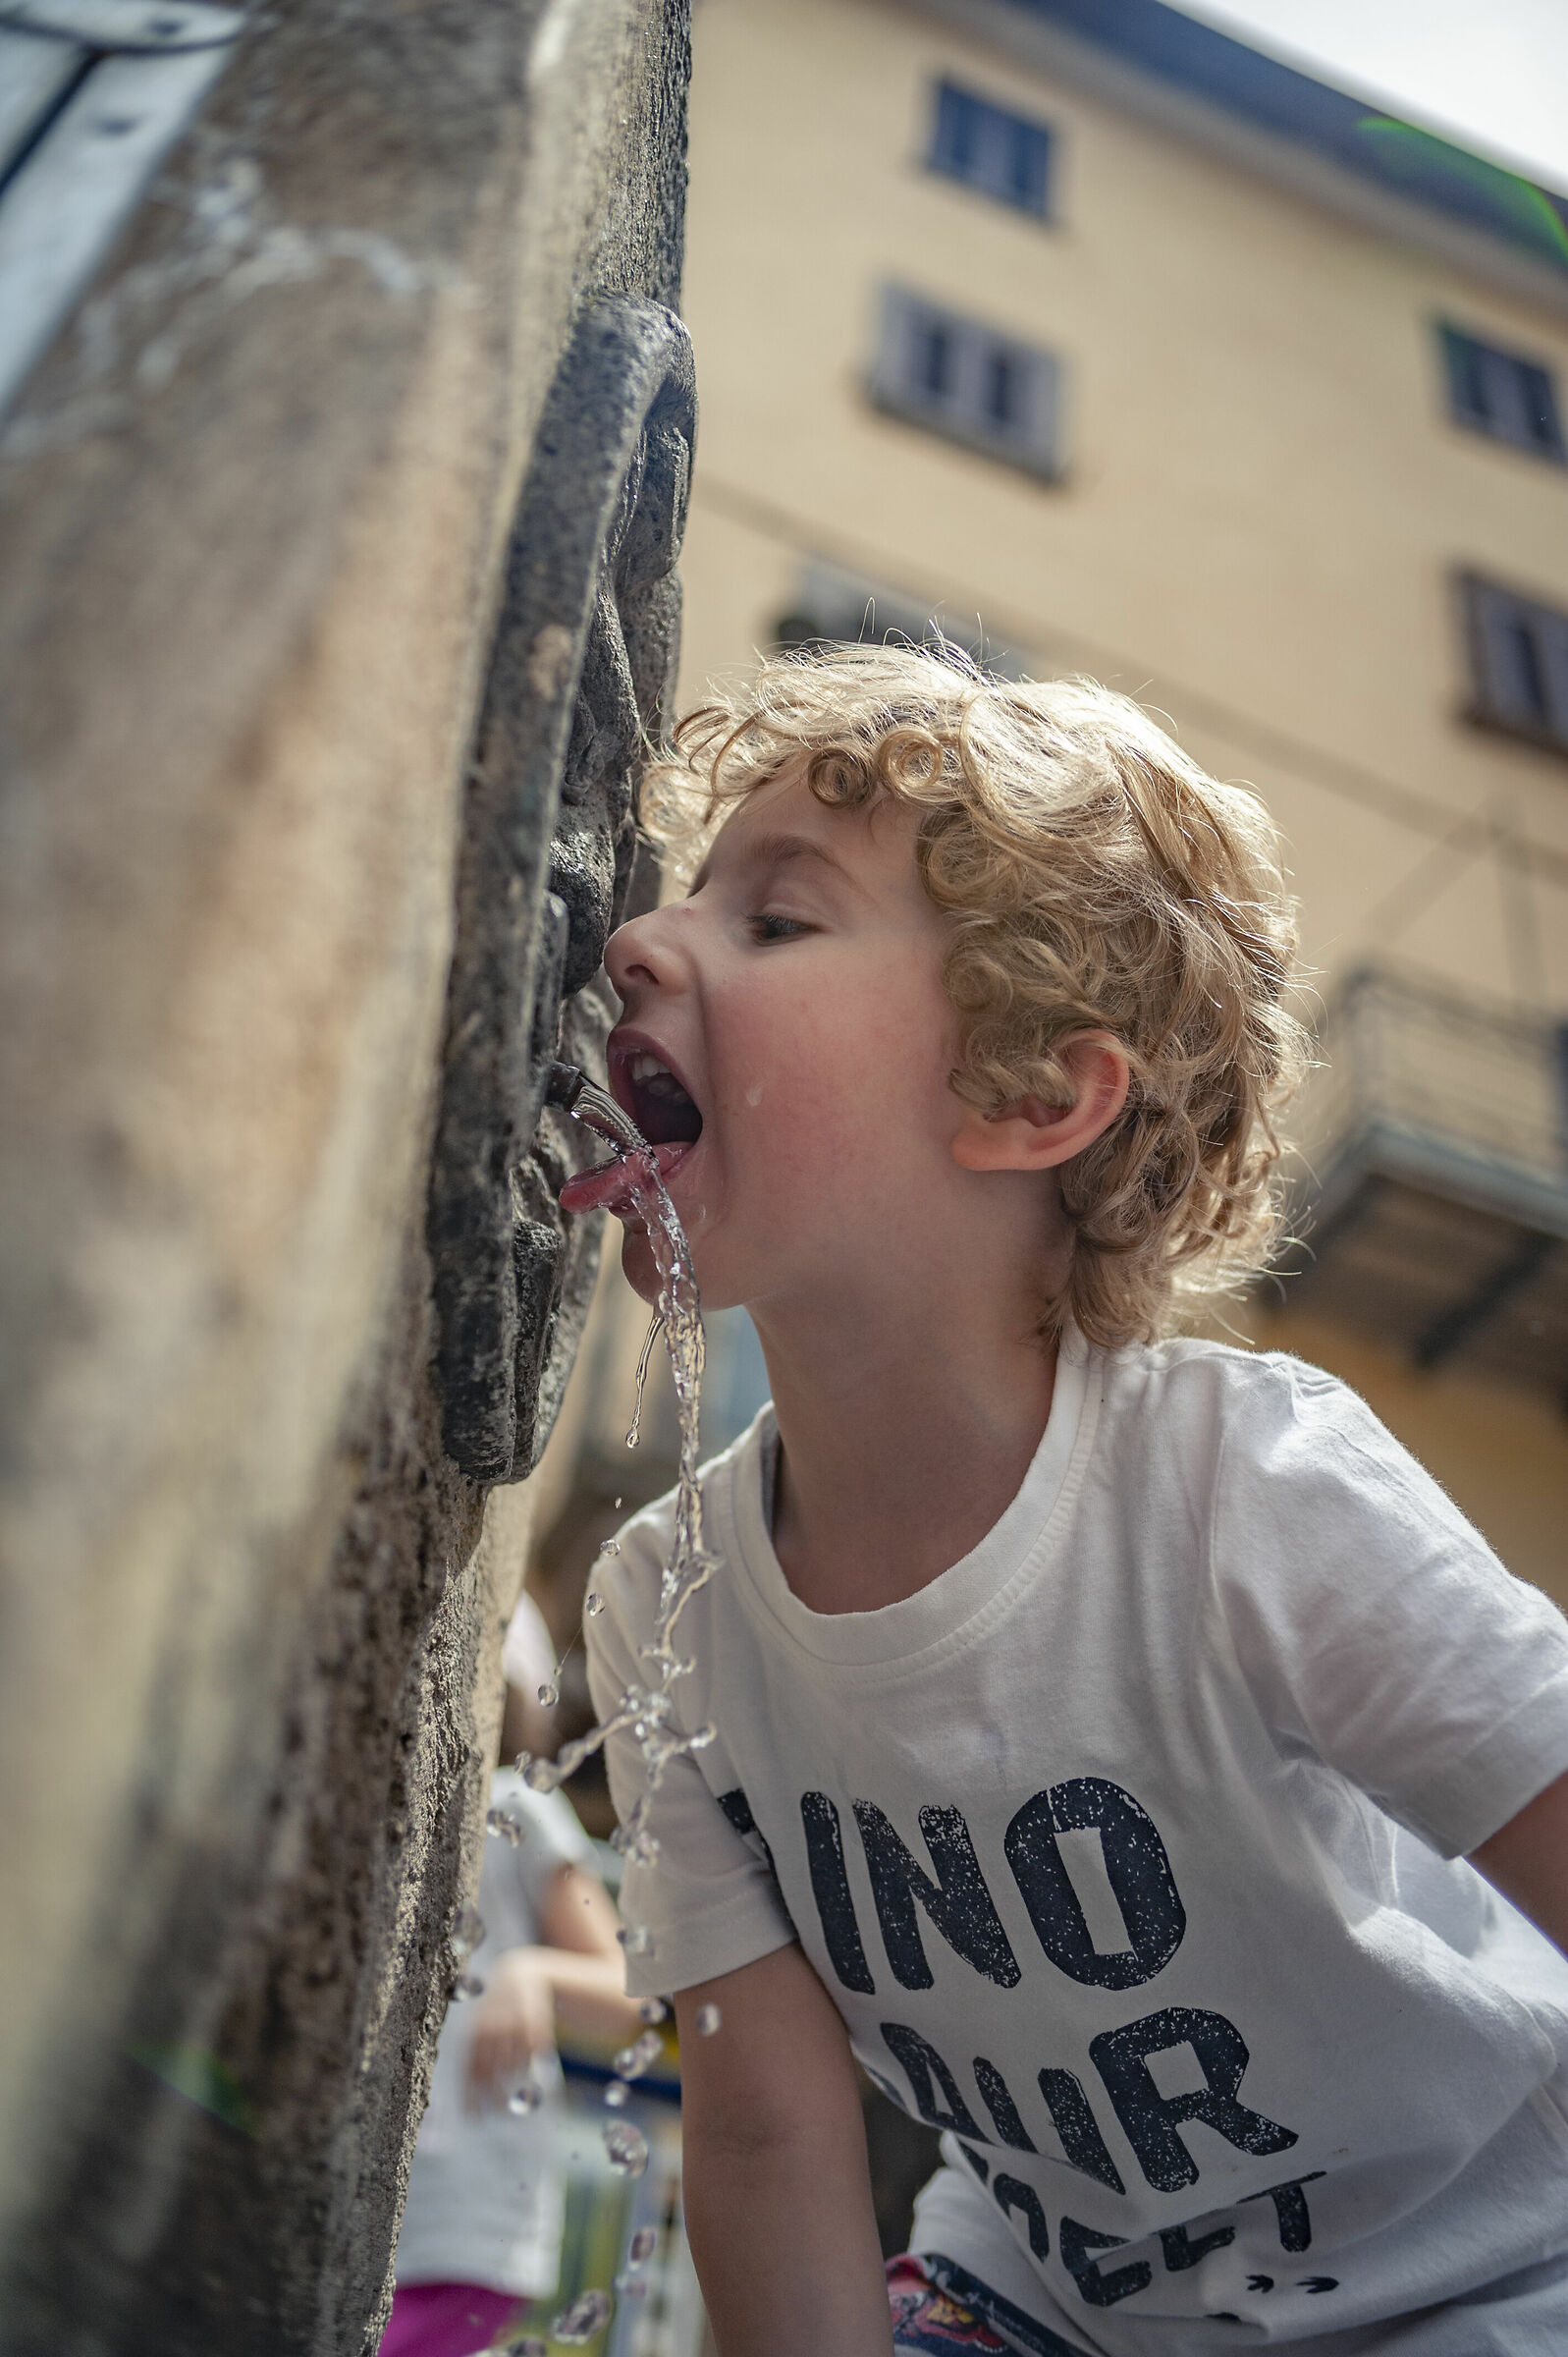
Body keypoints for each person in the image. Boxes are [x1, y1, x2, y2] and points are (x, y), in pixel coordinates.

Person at [569, 644, 1568, 2356]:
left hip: (1483, 2272)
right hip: (1046, 2302)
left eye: (776, 921)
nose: (640, 944)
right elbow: (761, 2130)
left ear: (1030, 1096)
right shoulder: (666, 1607)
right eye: (689, 898)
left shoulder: (1245, 1495)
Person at [383, 1596, 640, 2357]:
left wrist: (530, 1973)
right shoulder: (389, 1809)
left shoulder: (520, 1807)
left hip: (468, 2221)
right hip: (395, 2213)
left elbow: (626, 1991)